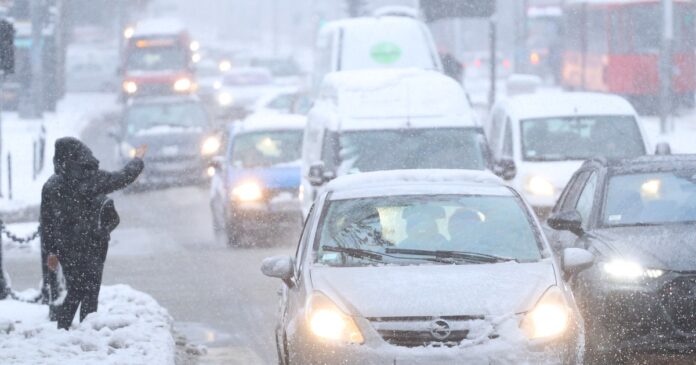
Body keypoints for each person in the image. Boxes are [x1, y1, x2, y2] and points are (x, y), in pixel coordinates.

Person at [40, 137, 146, 330]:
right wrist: (137, 159)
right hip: (92, 245)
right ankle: (87, 330)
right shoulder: (90, 179)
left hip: (66, 249)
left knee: (75, 290)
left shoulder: (51, 186)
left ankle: (63, 329)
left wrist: (51, 254)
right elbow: (123, 177)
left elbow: (47, 225)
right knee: (90, 292)